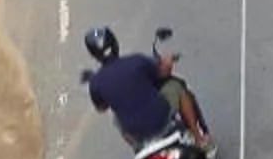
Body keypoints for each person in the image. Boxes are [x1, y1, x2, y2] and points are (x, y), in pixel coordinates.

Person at [83, 28, 212, 152]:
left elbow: (101, 108)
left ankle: (140, 149)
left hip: (136, 133)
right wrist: (168, 61)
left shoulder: (95, 83)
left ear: (93, 54)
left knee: (117, 120)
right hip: (162, 120)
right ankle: (199, 138)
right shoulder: (136, 60)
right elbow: (163, 73)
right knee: (177, 87)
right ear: (114, 43)